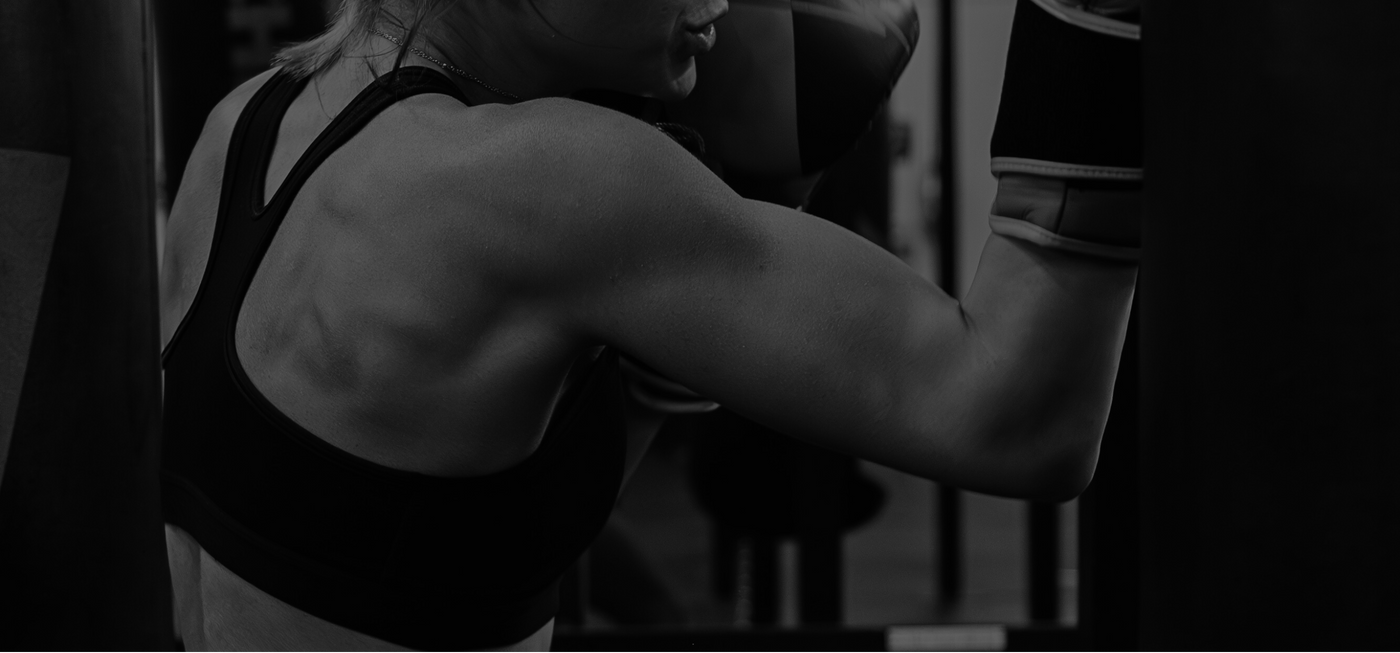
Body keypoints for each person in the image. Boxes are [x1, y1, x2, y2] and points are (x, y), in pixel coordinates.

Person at [159, 0, 1139, 651]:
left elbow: (414, 544)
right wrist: (1091, 25)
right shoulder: (538, 181)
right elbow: (1020, 415)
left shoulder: (244, 127)